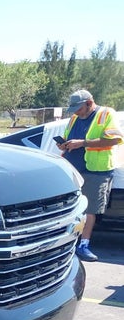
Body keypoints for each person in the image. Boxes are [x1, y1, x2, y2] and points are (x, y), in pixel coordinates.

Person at [57, 89, 123, 261]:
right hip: (72, 168)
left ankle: (83, 245)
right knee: (69, 207)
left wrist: (83, 143)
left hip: (96, 171)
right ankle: (66, 243)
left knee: (90, 209)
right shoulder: (74, 118)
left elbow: (115, 140)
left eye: (78, 109)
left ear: (89, 103)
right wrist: (64, 145)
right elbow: (67, 137)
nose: (76, 113)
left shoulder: (106, 114)